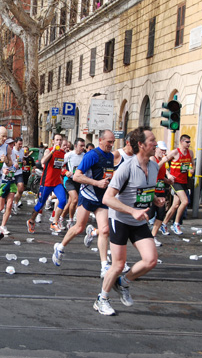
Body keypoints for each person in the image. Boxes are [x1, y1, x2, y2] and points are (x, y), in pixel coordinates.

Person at [94, 126, 164, 315]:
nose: (155, 144)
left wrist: (154, 199)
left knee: (151, 260)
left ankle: (123, 282)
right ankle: (102, 299)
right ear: (141, 145)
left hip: (139, 220)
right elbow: (107, 199)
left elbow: (143, 191)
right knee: (117, 264)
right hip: (120, 220)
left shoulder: (154, 165)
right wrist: (132, 211)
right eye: (152, 141)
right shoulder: (126, 167)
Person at [52, 130, 116, 278]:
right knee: (79, 227)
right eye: (109, 142)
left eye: (113, 142)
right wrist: (96, 183)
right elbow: (77, 176)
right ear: (100, 141)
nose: (111, 145)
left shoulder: (111, 156)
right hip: (88, 195)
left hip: (102, 198)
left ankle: (103, 265)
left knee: (105, 230)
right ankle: (60, 247)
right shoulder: (92, 155)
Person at [26, 133, 67, 233]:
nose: (59, 142)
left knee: (62, 200)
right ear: (53, 141)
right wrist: (52, 152)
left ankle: (54, 223)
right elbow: (43, 161)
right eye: (57, 140)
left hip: (57, 182)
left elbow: (61, 166)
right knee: (41, 204)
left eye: (60, 140)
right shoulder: (48, 150)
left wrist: (63, 173)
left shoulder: (62, 153)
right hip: (46, 182)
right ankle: (31, 221)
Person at [159, 134, 193, 236]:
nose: (188, 144)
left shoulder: (190, 153)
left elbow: (192, 165)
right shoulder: (175, 152)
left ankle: (164, 224)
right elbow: (164, 162)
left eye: (189, 142)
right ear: (181, 142)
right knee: (185, 201)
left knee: (175, 205)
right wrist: (167, 174)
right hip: (175, 181)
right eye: (187, 142)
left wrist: (192, 169)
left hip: (184, 181)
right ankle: (176, 223)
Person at [150, 141, 172, 246]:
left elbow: (161, 175)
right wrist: (163, 161)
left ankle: (153, 236)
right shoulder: (153, 158)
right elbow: (153, 170)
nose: (163, 152)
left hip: (161, 189)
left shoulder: (163, 161)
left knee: (161, 213)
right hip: (152, 190)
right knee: (149, 214)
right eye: (161, 149)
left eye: (164, 150)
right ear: (156, 149)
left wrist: (168, 180)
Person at [61, 138, 86, 225]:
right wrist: (66, 172)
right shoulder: (69, 155)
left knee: (71, 202)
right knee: (75, 199)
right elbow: (60, 166)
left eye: (84, 145)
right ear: (75, 146)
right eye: (81, 146)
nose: (83, 147)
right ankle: (71, 220)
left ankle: (61, 217)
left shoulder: (85, 156)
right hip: (69, 180)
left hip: (79, 181)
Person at [11, 137, 25, 214]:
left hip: (19, 172)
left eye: (21, 144)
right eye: (19, 144)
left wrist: (23, 162)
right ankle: (7, 204)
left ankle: (15, 204)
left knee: (20, 188)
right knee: (10, 191)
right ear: (15, 143)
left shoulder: (22, 151)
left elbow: (22, 160)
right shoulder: (11, 150)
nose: (20, 145)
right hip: (11, 172)